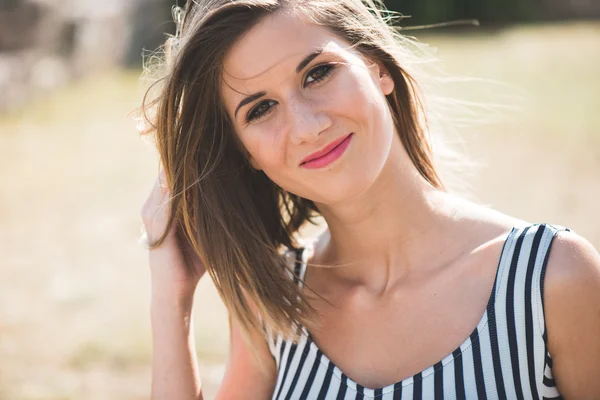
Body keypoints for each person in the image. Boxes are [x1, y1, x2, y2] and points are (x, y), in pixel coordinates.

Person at [139, 0, 600, 399]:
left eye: (318, 73)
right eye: (260, 109)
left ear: (377, 67)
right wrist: (169, 296)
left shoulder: (551, 278)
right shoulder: (273, 307)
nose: (307, 126)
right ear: (247, 154)